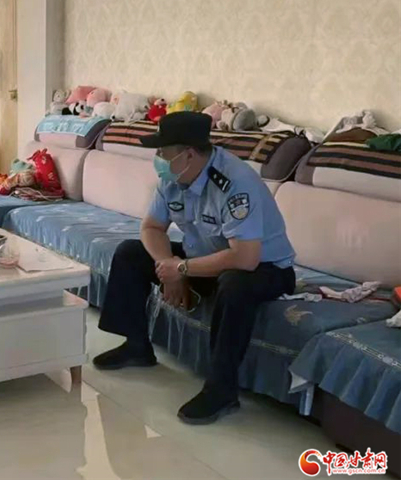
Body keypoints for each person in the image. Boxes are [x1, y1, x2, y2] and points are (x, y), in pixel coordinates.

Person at [93, 112, 296, 425]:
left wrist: (183, 269)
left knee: (235, 285)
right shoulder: (173, 178)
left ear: (188, 154)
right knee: (130, 253)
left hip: (265, 268)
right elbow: (151, 228)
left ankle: (222, 390)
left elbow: (245, 258)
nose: (158, 158)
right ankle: (136, 345)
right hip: (203, 258)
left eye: (163, 152)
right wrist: (168, 266)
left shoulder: (235, 183)